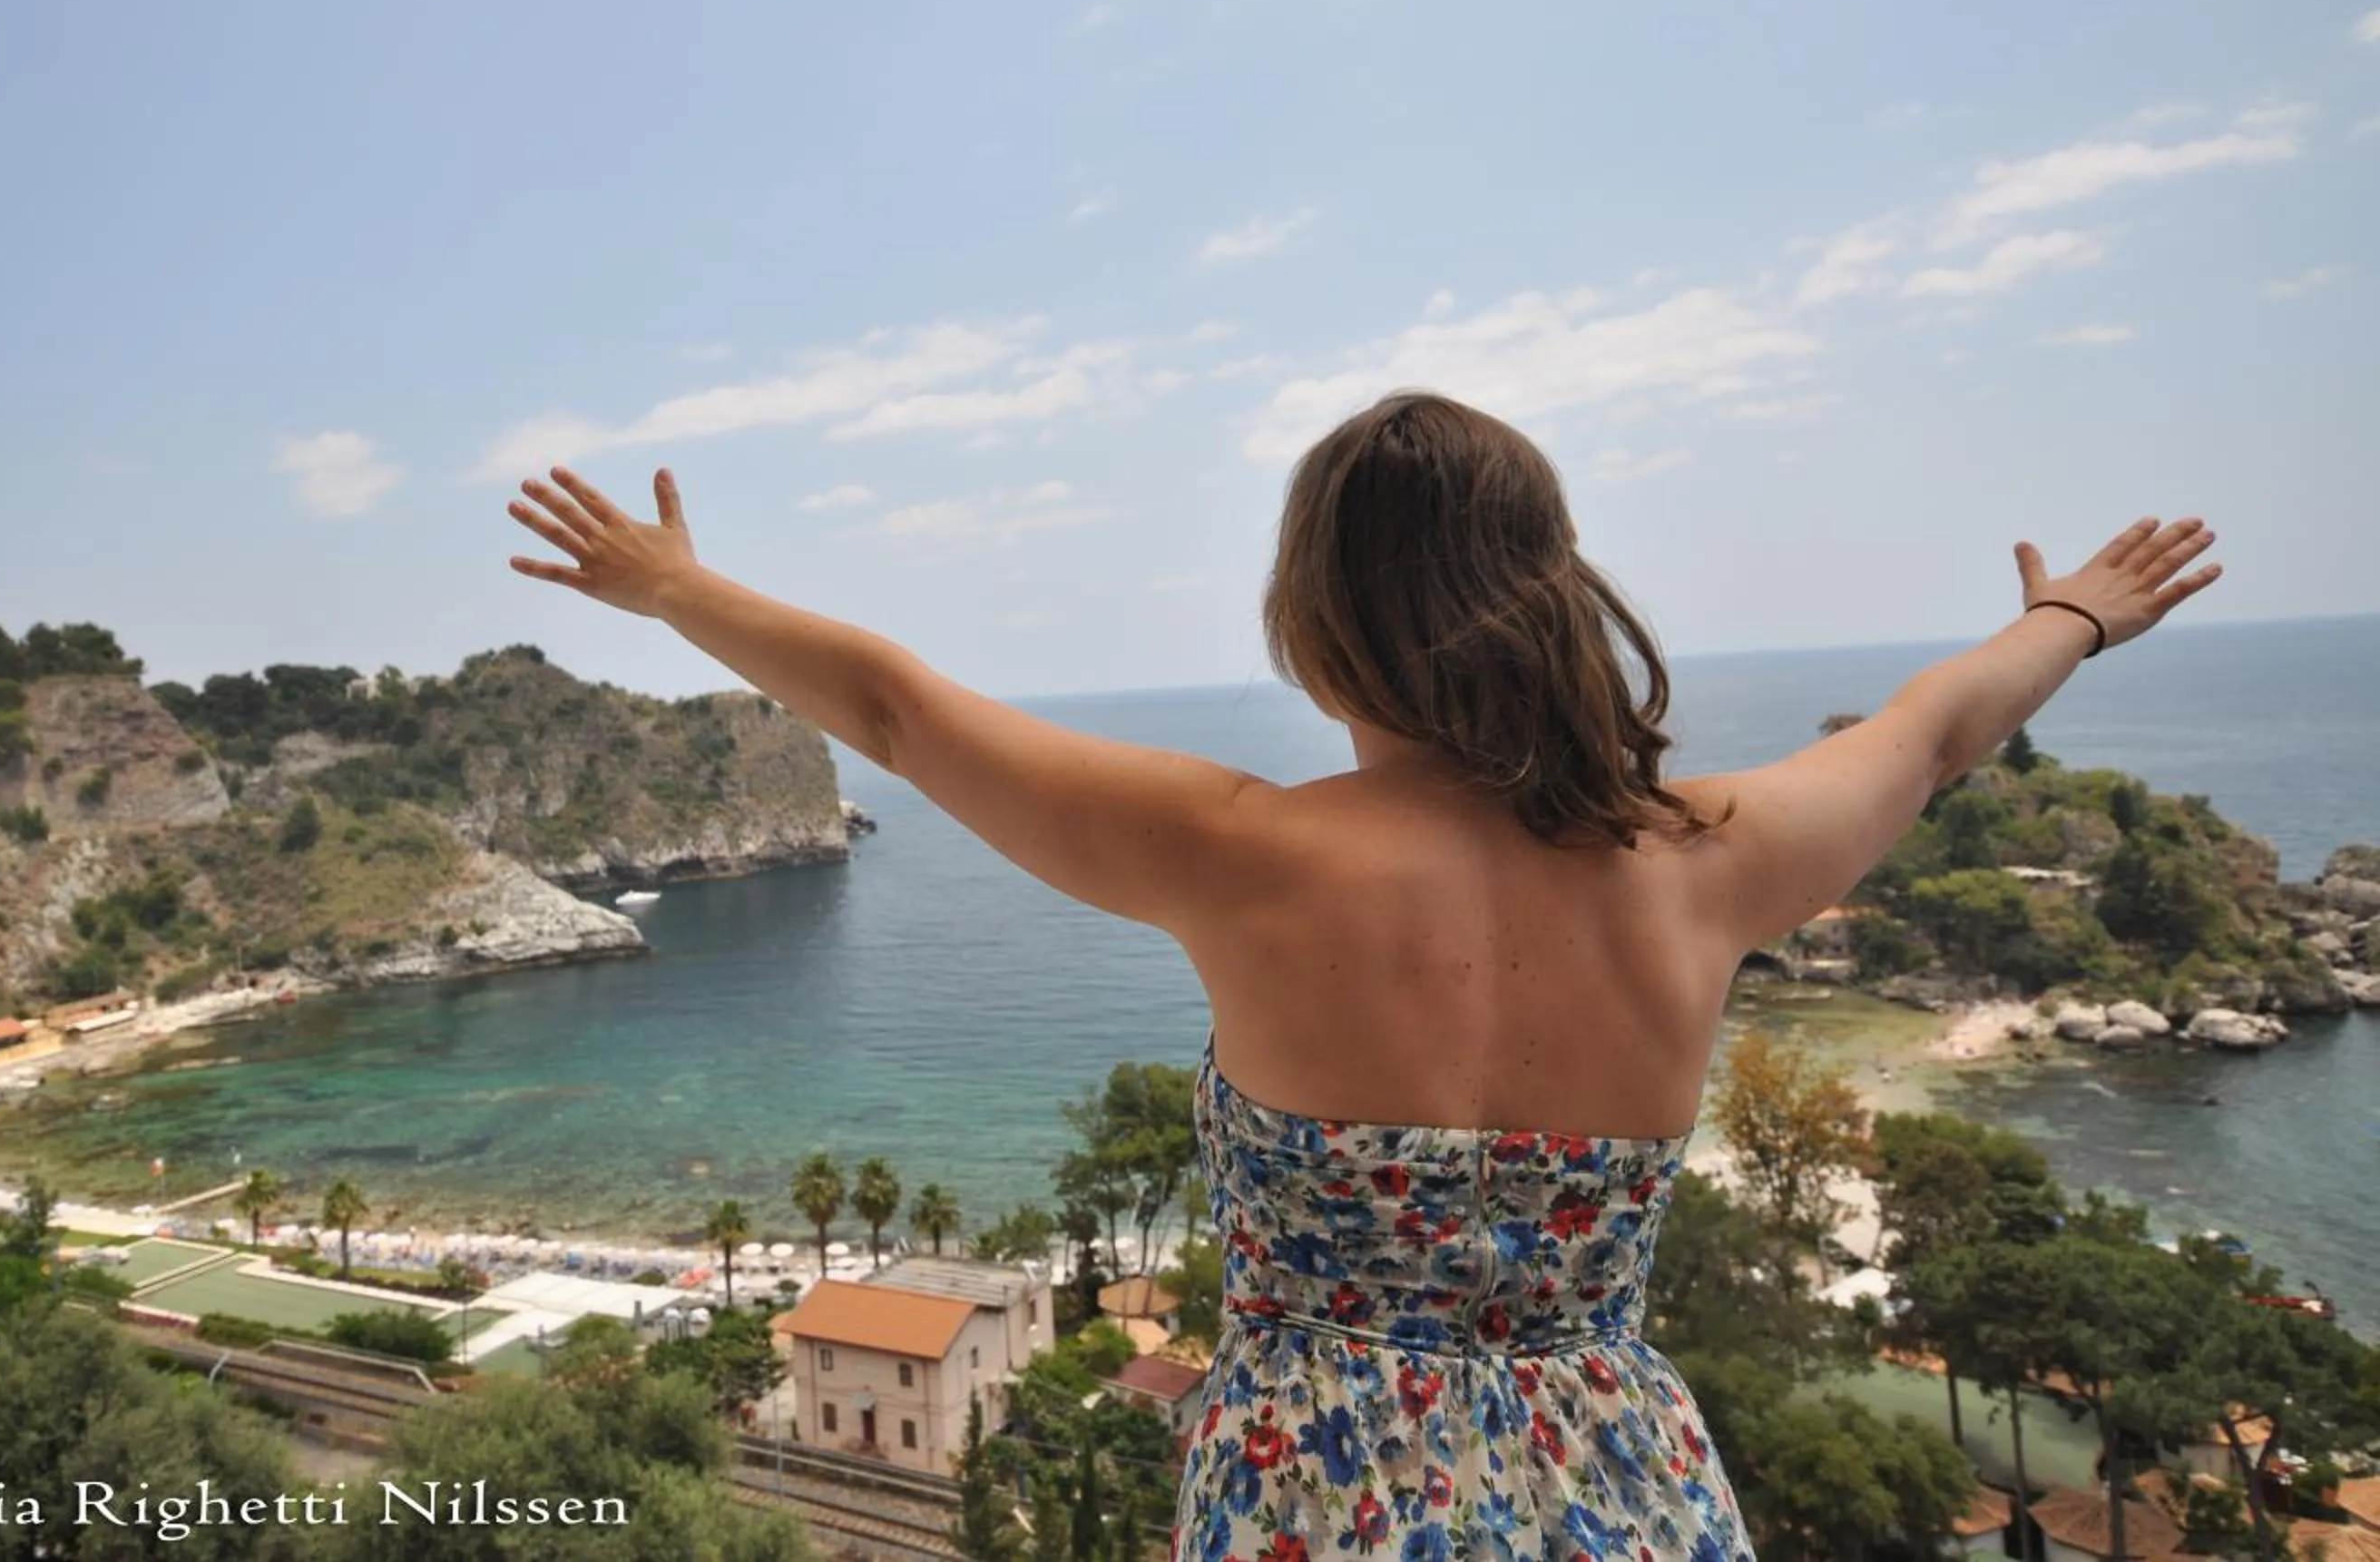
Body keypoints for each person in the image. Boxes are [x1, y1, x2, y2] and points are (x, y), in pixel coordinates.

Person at [504, 388, 2220, 1561]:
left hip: (1311, 1491)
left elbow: (896, 711)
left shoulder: (1242, 853)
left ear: (1312, 618)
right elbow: (1929, 736)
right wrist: (2069, 618)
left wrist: (679, 591)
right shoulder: (1708, 860)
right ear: (1552, 594)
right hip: (1627, 1478)